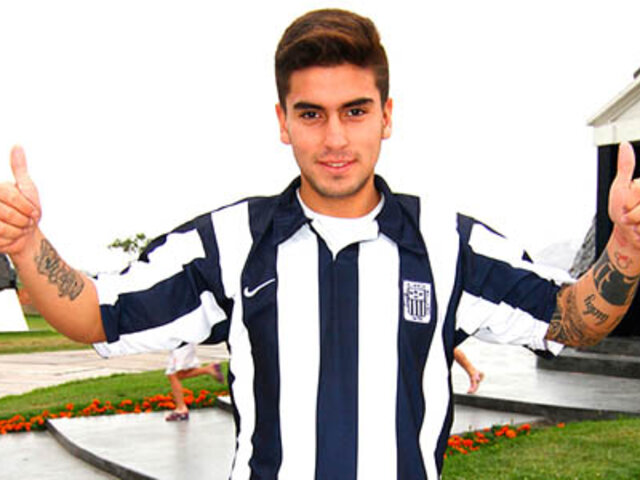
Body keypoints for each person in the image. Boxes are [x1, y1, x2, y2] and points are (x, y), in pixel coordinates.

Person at [1, 8, 640, 480]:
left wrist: (626, 251)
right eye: (311, 114)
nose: (335, 138)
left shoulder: (449, 243)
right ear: (283, 121)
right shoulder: (230, 242)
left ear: (387, 115)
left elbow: (570, 318)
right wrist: (27, 246)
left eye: (355, 111)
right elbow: (97, 313)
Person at [164, 342, 225, 422]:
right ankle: (180, 408)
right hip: (178, 345)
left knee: (174, 374)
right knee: (173, 374)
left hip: (181, 345)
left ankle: (181, 409)